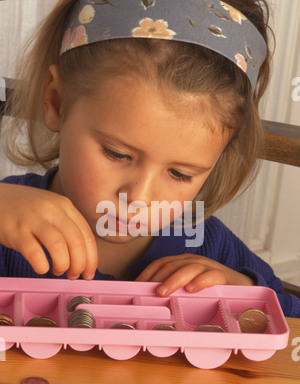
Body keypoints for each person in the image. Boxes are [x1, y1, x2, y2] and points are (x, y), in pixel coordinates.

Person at [0, 0, 299, 317]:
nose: (139, 199)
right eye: (117, 154)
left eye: (181, 174)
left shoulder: (208, 245)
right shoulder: (8, 222)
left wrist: (246, 295)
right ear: (57, 102)